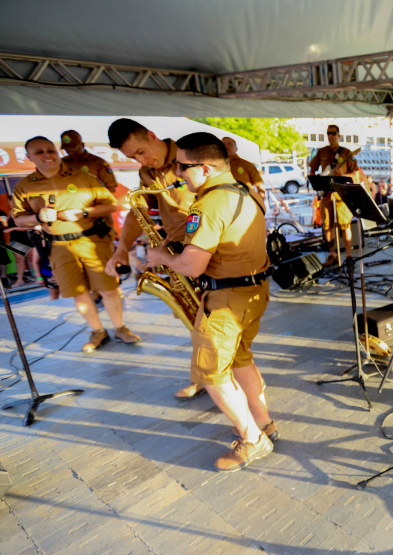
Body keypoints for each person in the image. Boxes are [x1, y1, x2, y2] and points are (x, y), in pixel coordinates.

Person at [146, 132, 276, 472]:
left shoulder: (208, 203)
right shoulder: (245, 190)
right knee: (241, 358)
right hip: (254, 291)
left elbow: (192, 266)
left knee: (211, 373)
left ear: (205, 169)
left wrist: (160, 257)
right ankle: (263, 422)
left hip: (226, 299)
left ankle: (252, 439)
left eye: (182, 166)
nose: (177, 173)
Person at [106, 118, 204, 401]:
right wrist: (122, 249)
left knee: (215, 320)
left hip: (208, 248)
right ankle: (207, 376)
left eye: (141, 152)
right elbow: (137, 213)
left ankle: (223, 376)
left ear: (151, 135)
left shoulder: (192, 155)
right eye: (133, 157)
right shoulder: (147, 173)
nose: (141, 160)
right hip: (177, 253)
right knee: (194, 319)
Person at [12, 137, 141, 352]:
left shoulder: (83, 177)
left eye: (50, 150)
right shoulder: (24, 186)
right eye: (39, 152)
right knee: (78, 293)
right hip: (58, 247)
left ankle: (120, 328)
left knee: (109, 289)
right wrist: (37, 217)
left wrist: (83, 212)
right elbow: (18, 220)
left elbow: (110, 205)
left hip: (92, 242)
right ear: (29, 157)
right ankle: (97, 331)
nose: (47, 155)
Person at [307, 124, 361, 266]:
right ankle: (332, 254)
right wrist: (317, 183)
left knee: (345, 225)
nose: (330, 136)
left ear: (339, 136)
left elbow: (355, 173)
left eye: (333, 133)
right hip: (326, 195)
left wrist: (343, 175)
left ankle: (348, 256)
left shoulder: (347, 153)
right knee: (327, 225)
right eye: (328, 133)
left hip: (341, 196)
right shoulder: (321, 152)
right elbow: (312, 169)